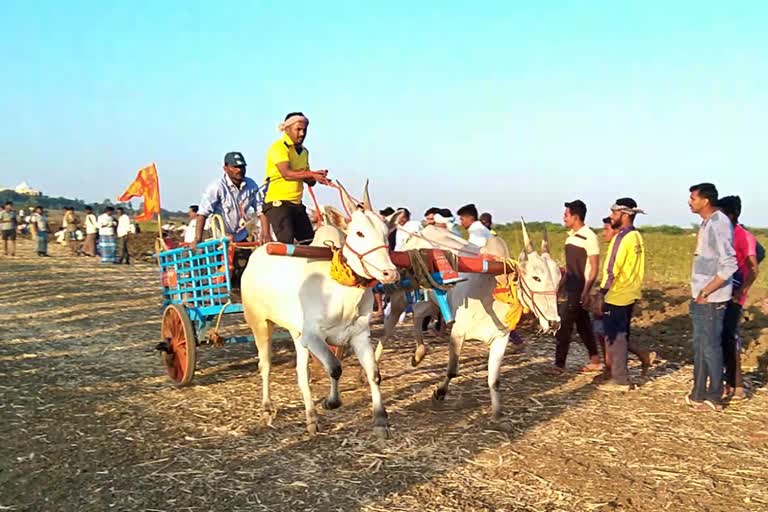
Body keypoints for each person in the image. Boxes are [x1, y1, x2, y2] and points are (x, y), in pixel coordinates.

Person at [686, 184, 738, 410]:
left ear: (705, 201)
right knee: (700, 346)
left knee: (711, 348)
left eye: (693, 198)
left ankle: (715, 395)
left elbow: (729, 264)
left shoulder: (719, 224)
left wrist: (707, 291)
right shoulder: (707, 223)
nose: (690, 202)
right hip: (701, 295)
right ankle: (697, 394)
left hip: (711, 298)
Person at [595, 198, 647, 392]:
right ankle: (621, 376)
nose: (611, 217)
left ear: (625, 215)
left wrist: (601, 294)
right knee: (622, 336)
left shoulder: (622, 238)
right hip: (630, 294)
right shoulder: (637, 237)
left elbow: (611, 269)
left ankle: (620, 380)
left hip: (616, 295)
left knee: (614, 338)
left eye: (614, 213)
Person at [259, 112, 331, 245]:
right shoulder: (278, 147)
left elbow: (308, 179)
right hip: (278, 203)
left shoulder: (304, 152)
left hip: (296, 204)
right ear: (286, 129)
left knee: (310, 243)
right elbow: (287, 173)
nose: (302, 133)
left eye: (305, 130)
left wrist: (317, 177)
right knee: (287, 243)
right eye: (298, 129)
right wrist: (311, 174)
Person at [548, 200, 602, 374]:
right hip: (571, 285)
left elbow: (594, 267)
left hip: (580, 287)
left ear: (575, 217)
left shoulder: (589, 236)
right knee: (583, 324)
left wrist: (586, 291)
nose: (564, 218)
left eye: (566, 215)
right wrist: (560, 285)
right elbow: (570, 266)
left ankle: (559, 365)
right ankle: (595, 360)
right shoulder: (571, 236)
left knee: (564, 325)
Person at [196, 152, 265, 287]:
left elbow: (261, 210)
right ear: (225, 168)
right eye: (235, 167)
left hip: (239, 237)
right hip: (219, 238)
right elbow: (202, 213)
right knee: (221, 273)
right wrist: (197, 239)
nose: (239, 170)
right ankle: (220, 296)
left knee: (246, 273)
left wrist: (265, 234)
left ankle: (241, 298)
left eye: (242, 167)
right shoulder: (217, 187)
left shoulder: (251, 185)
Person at [717, 196, 759, 402]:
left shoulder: (742, 236)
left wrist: (740, 291)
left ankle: (737, 385)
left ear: (731, 215)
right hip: (720, 293)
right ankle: (727, 382)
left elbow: (753, 268)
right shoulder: (725, 234)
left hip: (733, 296)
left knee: (728, 338)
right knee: (719, 338)